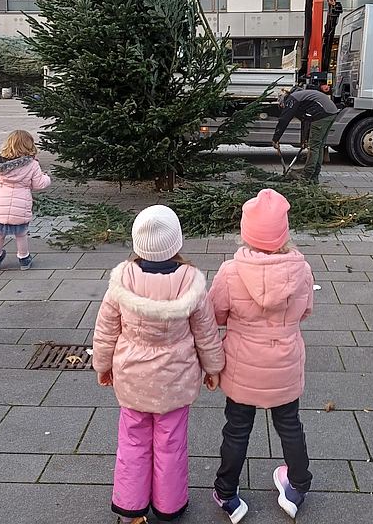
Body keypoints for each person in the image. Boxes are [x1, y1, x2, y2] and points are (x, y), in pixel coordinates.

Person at [92, 205, 225, 524]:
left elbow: (106, 329)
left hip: (132, 379)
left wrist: (102, 365)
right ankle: (169, 507)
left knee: (132, 442)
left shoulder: (122, 281)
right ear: (177, 242)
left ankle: (130, 508)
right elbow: (206, 332)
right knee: (171, 444)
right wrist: (213, 368)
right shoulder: (191, 283)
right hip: (175, 383)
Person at [208, 188, 314, 522]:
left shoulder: (230, 272)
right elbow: (305, 311)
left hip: (242, 369)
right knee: (290, 425)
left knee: (237, 429)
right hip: (285, 367)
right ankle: (297, 484)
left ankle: (227, 493)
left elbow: (215, 315)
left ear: (246, 233)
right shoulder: (301, 270)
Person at [0, 129, 51, 270]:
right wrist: (46, 177)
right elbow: (38, 184)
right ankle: (24, 259)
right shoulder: (32, 164)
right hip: (21, 204)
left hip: (1, 203)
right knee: (21, 234)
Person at [272, 85, 338, 183]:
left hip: (322, 114)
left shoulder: (292, 99)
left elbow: (284, 120)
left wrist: (275, 139)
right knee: (319, 145)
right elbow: (306, 120)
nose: (284, 109)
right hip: (331, 113)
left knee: (314, 146)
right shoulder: (300, 97)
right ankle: (314, 175)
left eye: (283, 107)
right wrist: (304, 140)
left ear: (283, 102)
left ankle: (307, 174)